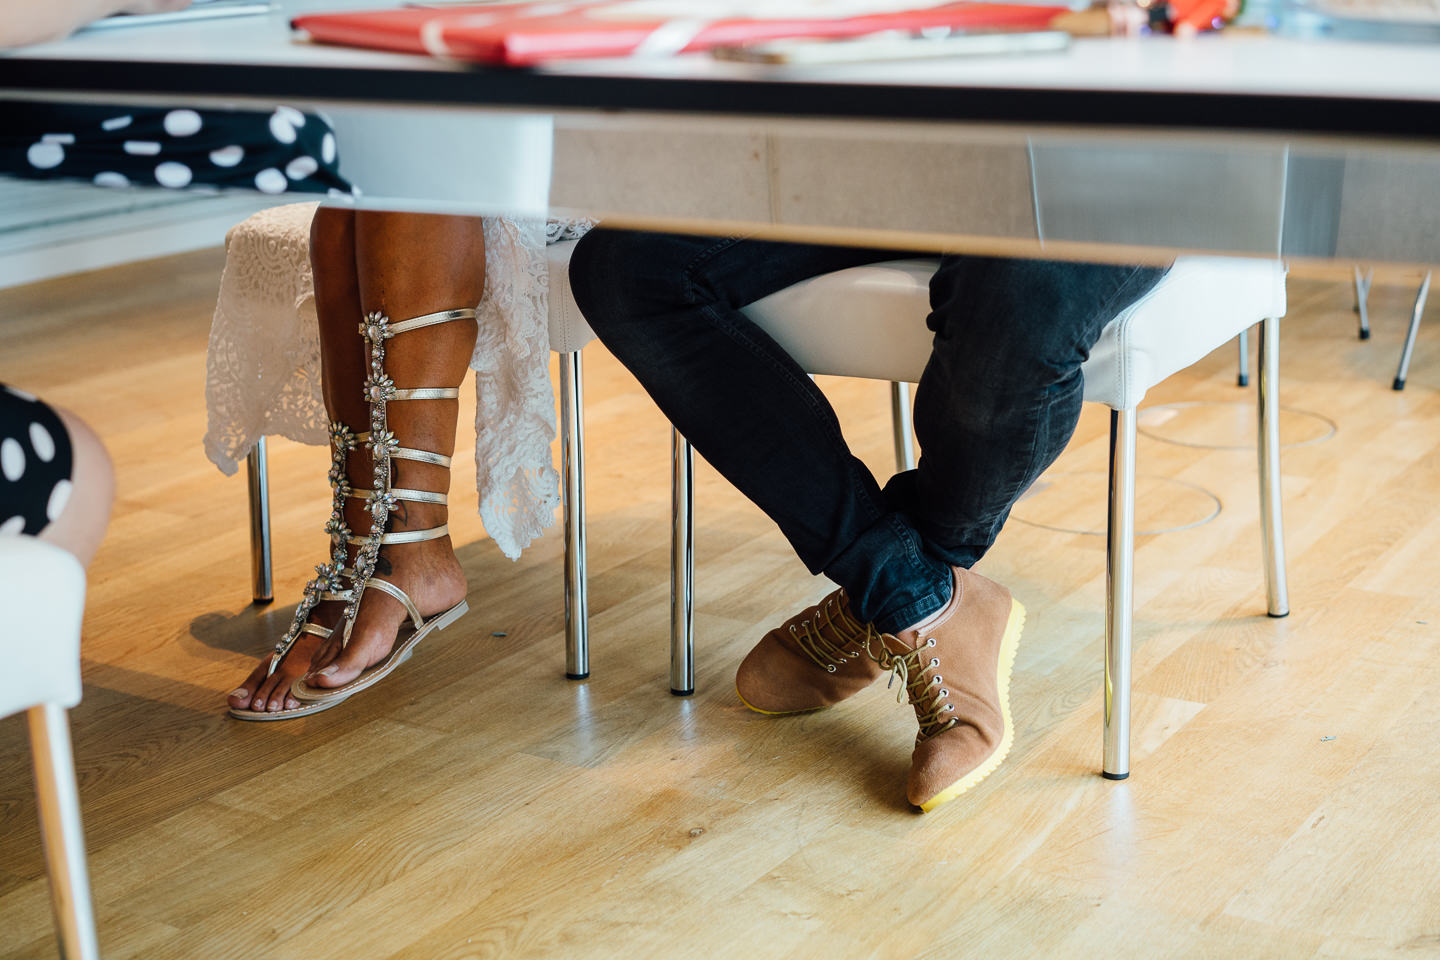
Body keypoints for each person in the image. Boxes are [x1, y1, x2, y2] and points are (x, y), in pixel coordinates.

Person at [567, 230, 1167, 812]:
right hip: (909, 161)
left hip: (1105, 172)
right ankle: (915, 595)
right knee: (625, 268)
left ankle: (893, 594)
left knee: (1018, 295)